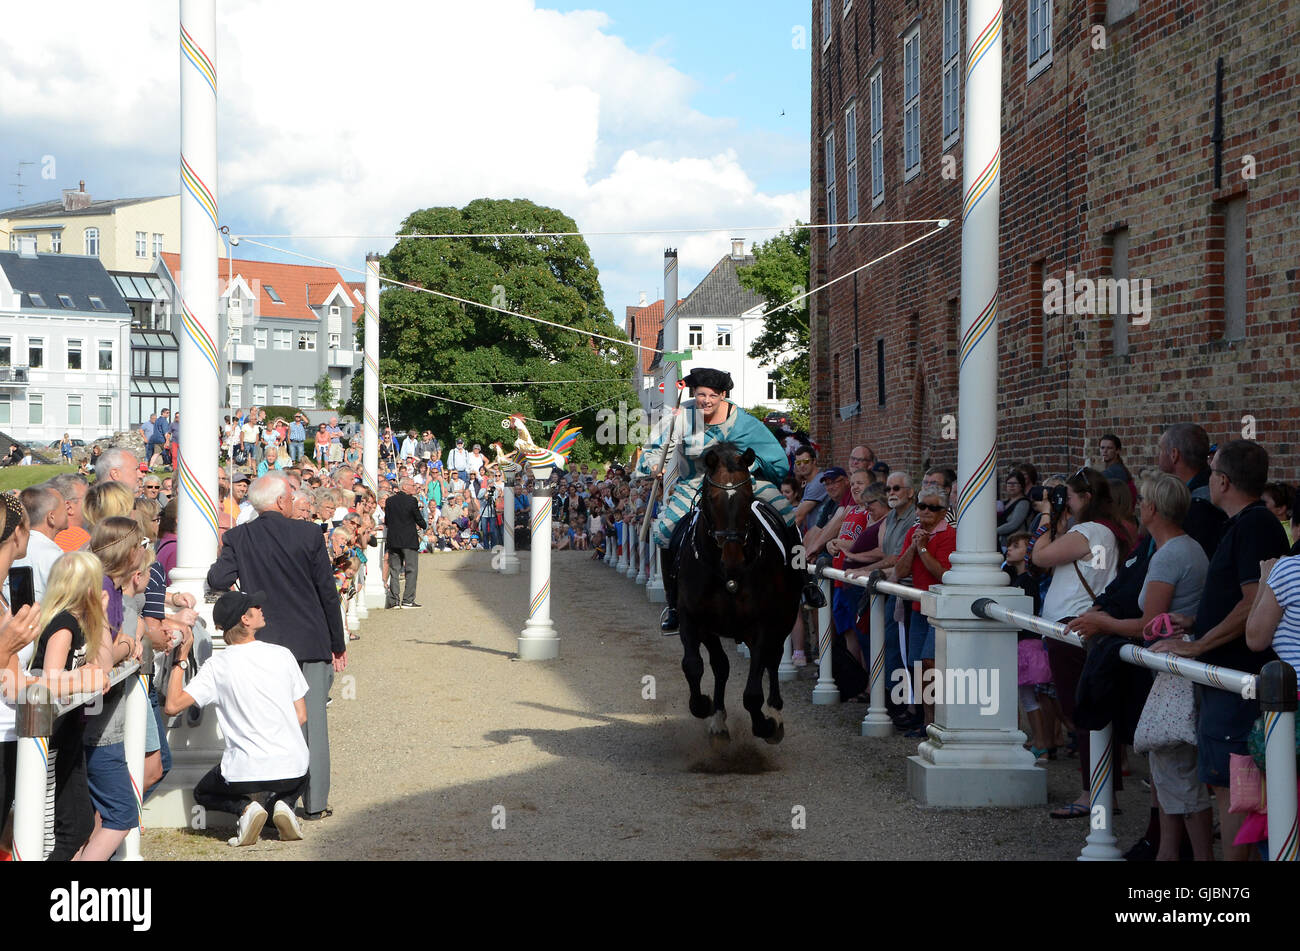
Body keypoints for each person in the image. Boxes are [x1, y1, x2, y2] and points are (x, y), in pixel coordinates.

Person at [1149, 439, 1288, 860]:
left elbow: (1254, 601)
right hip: (1226, 675)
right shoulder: (1244, 524)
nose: (1208, 480)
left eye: (1212, 473)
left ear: (1223, 481)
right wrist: (1197, 622)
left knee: (1237, 783)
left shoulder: (1255, 525)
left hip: (1237, 680)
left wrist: (1202, 645)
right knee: (1227, 781)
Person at [1067, 472, 1212, 859]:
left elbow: (1148, 624)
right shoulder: (1185, 549)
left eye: (1143, 500)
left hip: (1172, 674)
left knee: (1178, 772)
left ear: (1152, 508)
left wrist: (1101, 623)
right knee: (1168, 773)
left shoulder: (1170, 555)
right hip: (1171, 668)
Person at [206, 474, 346, 821]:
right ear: (283, 501)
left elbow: (218, 579)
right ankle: (313, 804)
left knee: (267, 720)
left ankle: (272, 798)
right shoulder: (309, 533)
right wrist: (337, 642)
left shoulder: (239, 537)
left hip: (264, 641)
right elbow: (327, 592)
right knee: (311, 723)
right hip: (308, 639)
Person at [634, 367, 800, 634]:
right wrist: (654, 466)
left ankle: (802, 580)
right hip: (695, 484)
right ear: (693, 394)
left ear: (723, 395)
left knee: (787, 514)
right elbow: (653, 450)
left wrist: (747, 466)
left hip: (743, 482)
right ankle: (675, 605)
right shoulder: (680, 418)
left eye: (713, 395)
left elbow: (778, 462)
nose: (706, 401)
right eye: (701, 395)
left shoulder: (745, 423)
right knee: (664, 532)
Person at [164, 590, 308, 847]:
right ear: (245, 619)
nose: (261, 608)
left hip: (244, 770)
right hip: (292, 765)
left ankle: (245, 808)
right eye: (255, 607)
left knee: (203, 792)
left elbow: (173, 705)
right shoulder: (283, 654)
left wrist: (181, 659)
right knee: (300, 770)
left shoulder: (217, 666)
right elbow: (301, 715)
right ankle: (283, 804)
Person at [16, 484, 68, 599]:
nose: (68, 510)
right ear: (51, 517)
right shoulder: (55, 557)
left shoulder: (13, 550)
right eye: (64, 506)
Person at [384, 478, 426, 609]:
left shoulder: (389, 501)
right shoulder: (411, 501)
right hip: (408, 540)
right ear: (405, 487)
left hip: (393, 540)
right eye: (413, 485)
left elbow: (387, 520)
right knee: (411, 570)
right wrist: (423, 525)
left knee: (394, 570)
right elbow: (418, 518)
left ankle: (394, 600)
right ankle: (408, 600)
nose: (415, 487)